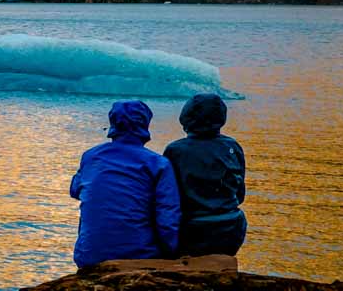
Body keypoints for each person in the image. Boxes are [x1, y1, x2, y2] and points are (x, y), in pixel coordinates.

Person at [70, 100, 181, 268]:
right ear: (145, 124)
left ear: (113, 123)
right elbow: (167, 217)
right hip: (140, 256)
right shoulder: (158, 164)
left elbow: (75, 190)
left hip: (88, 256)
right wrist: (171, 254)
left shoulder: (91, 156)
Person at [163, 93, 247, 257]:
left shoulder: (175, 150)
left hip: (193, 229)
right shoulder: (233, 146)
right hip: (231, 228)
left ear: (185, 117)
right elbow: (240, 194)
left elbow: (168, 197)